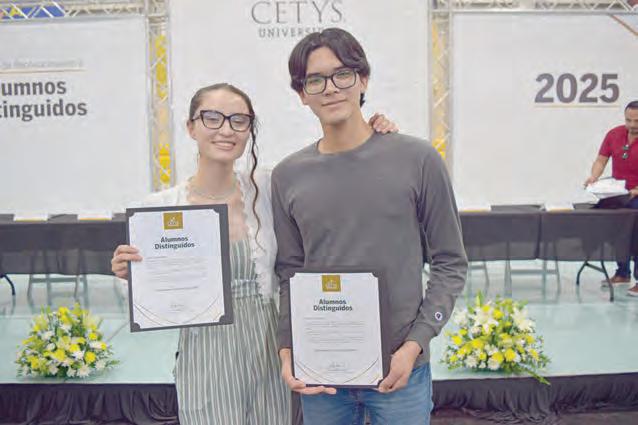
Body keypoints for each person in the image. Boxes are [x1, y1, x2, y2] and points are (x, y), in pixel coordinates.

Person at [110, 83, 397, 425]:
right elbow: (149, 303)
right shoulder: (160, 208)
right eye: (212, 118)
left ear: (249, 130)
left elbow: (332, 174)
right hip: (205, 353)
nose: (226, 130)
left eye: (239, 120)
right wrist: (130, 274)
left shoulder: (269, 188)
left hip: (268, 346)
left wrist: (372, 139)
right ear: (191, 127)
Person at [271, 28, 468, 425]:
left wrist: (415, 344)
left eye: (342, 74)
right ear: (302, 94)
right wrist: (288, 348)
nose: (330, 88)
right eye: (315, 80)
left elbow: (450, 262)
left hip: (400, 370)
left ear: (363, 80)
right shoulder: (287, 175)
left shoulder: (417, 159)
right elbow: (291, 274)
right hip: (321, 375)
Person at [584, 101, 638, 296]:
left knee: (636, 234)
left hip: (636, 196)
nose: (632, 125)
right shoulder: (614, 134)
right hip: (618, 194)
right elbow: (601, 160)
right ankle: (622, 273)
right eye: (628, 120)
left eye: (637, 121)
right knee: (617, 231)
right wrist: (594, 177)